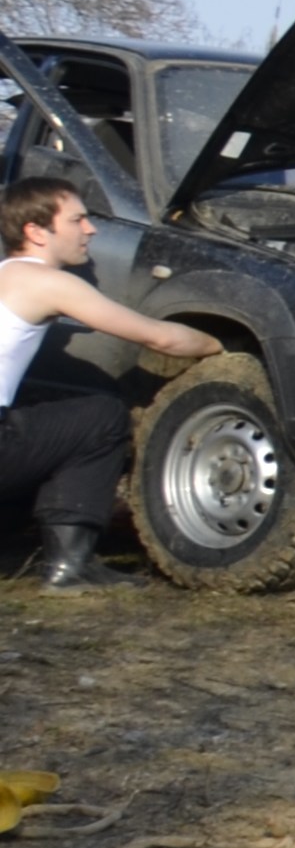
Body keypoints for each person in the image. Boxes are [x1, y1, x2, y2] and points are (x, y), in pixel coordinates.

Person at [0, 178, 214, 589]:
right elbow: (161, 338)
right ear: (36, 231)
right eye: (77, 220)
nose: (91, 229)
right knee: (102, 417)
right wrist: (220, 346)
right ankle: (71, 568)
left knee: (42, 417)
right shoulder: (46, 282)